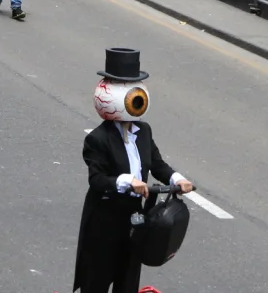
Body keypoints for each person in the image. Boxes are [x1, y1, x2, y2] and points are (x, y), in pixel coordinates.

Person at [74, 47, 192, 293]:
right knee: (97, 280)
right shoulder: (97, 139)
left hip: (135, 218)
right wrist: (128, 181)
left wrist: (177, 178)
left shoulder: (144, 131)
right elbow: (97, 180)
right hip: (105, 221)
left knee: (128, 279)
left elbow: (157, 164)